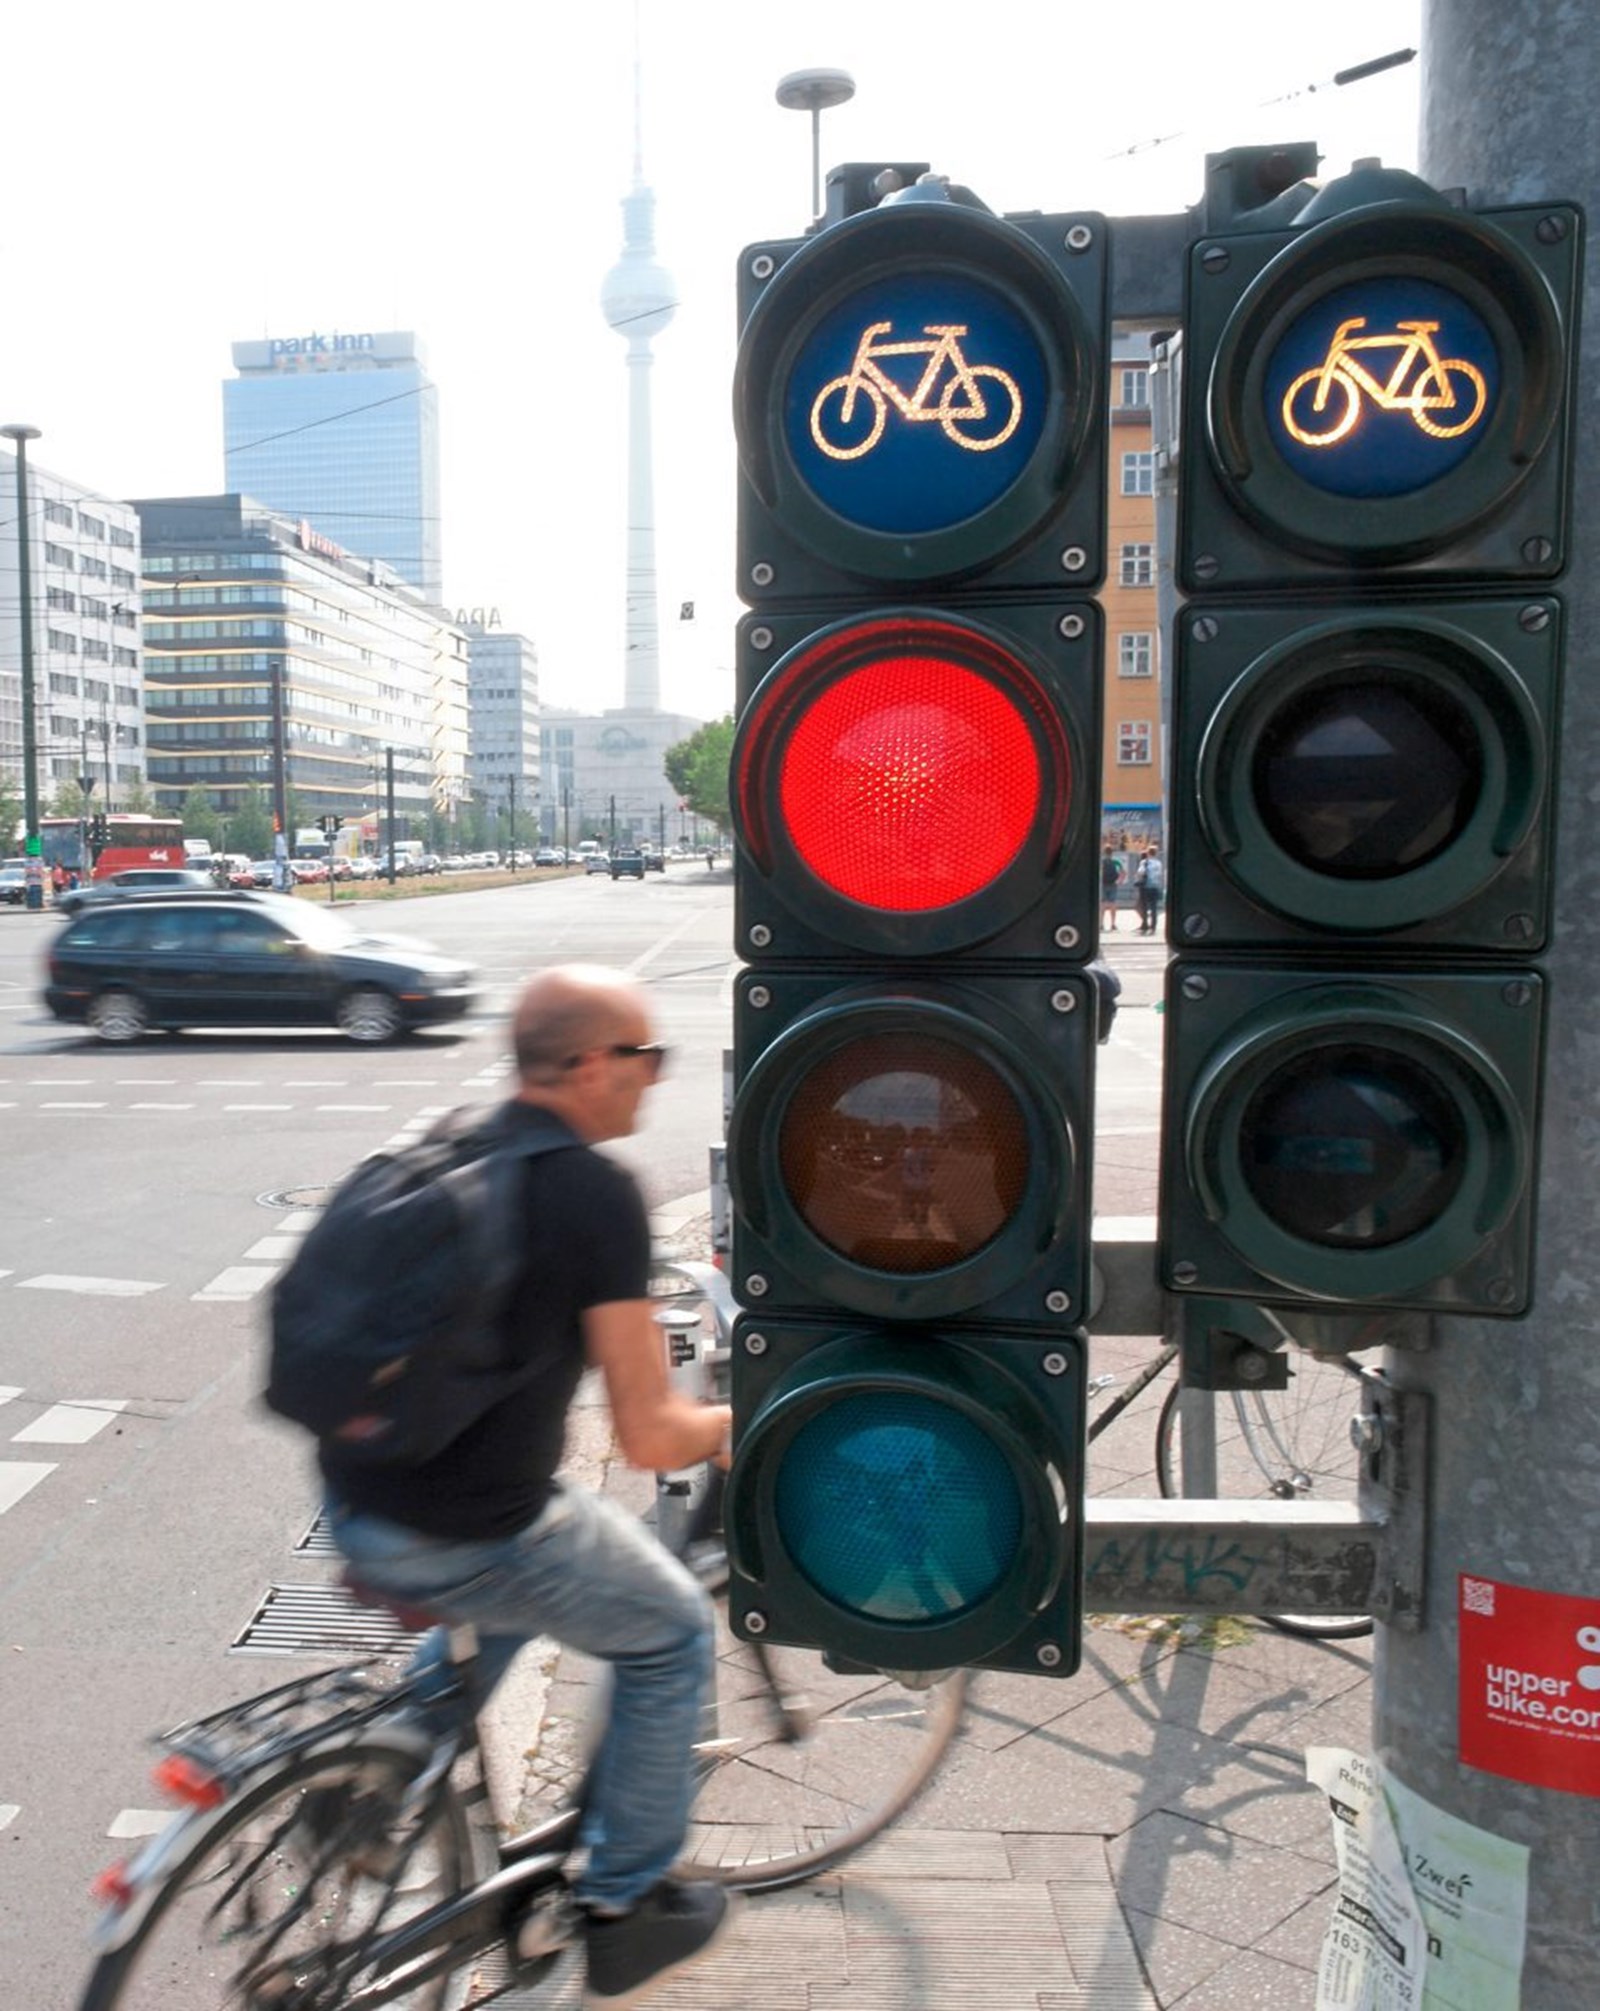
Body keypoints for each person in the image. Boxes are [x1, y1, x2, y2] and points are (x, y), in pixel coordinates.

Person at [322, 965, 737, 2007]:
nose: (653, 1077)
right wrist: (742, 1423)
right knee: (671, 1630)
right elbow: (649, 1435)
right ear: (590, 1063)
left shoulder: (449, 1146)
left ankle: (390, 1758)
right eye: (645, 1056)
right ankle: (624, 1902)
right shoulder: (592, 1194)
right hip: (474, 1526)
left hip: (360, 1503)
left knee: (512, 1590)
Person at [1135, 845, 1165, 934]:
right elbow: (1159, 874)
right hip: (1155, 886)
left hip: (1146, 887)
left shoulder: (1144, 862)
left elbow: (1140, 872)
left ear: (1148, 853)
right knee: (1154, 907)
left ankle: (1145, 924)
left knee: (1144, 906)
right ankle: (1153, 927)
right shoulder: (1159, 863)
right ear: (1156, 853)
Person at [1100, 848, 1122, 931]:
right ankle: (1113, 924)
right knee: (1112, 904)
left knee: (1102, 904)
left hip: (1103, 884)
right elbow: (1122, 872)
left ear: (1104, 852)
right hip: (1113, 884)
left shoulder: (1101, 862)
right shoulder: (1116, 862)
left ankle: (1101, 923)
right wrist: (1119, 881)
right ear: (1112, 853)